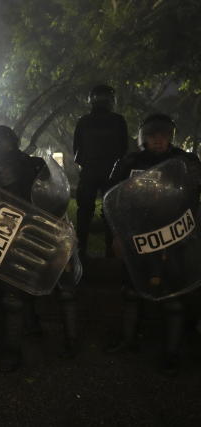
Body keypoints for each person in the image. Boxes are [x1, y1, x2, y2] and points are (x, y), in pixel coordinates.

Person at [106, 113, 200, 375]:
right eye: (153, 135)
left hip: (175, 236)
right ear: (143, 137)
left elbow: (194, 198)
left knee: (174, 295)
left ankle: (172, 352)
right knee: (131, 291)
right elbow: (112, 201)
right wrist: (116, 235)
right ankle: (128, 340)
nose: (159, 140)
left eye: (163, 135)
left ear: (170, 136)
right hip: (138, 236)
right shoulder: (129, 161)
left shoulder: (186, 161)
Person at [0, 125, 47, 372]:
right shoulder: (28, 162)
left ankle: (10, 349)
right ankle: (0, 343)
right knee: (0, 294)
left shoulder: (5, 162)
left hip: (8, 230)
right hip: (12, 231)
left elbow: (6, 198)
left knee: (8, 296)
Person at [74, 85, 128, 261]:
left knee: (84, 212)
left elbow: (77, 151)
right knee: (110, 212)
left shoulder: (83, 121)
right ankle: (110, 252)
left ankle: (80, 250)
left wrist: (87, 165)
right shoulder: (119, 120)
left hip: (90, 171)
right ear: (112, 101)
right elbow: (124, 149)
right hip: (112, 173)